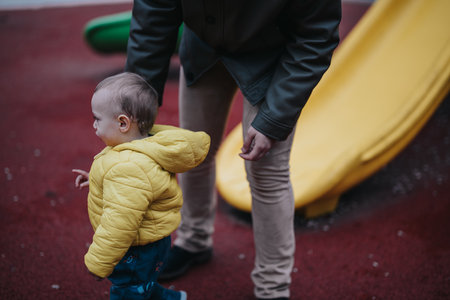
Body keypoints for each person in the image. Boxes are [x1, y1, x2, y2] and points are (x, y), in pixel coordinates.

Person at [125, 1, 341, 299]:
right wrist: (136, 112)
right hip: (205, 44)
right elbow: (152, 23)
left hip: (274, 56)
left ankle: (272, 286)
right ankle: (194, 239)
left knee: (267, 173)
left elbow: (316, 37)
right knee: (192, 154)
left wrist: (274, 119)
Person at [72, 72, 210, 300]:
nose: (93, 123)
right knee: (141, 284)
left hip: (136, 248)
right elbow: (136, 185)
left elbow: (119, 223)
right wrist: (96, 177)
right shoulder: (141, 148)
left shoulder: (128, 167)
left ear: (123, 123)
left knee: (128, 291)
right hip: (151, 243)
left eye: (97, 118)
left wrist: (98, 263)